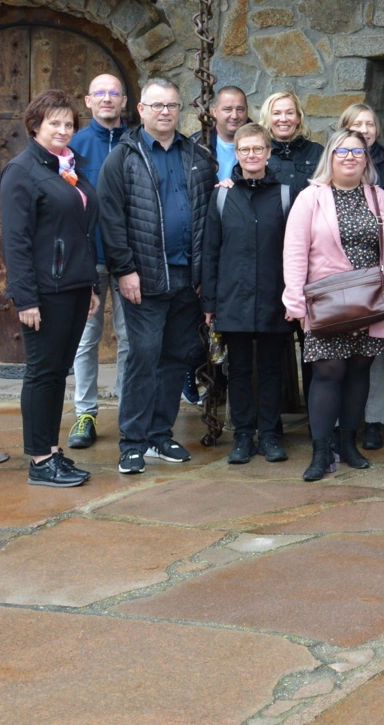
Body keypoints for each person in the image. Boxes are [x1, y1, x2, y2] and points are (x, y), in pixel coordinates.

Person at [98, 77, 215, 475]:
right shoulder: (124, 157)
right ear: (142, 110)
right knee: (143, 357)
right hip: (144, 278)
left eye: (172, 106)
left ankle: (160, 435)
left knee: (174, 358)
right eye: (157, 105)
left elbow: (206, 212)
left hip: (187, 276)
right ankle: (132, 442)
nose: (166, 112)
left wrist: (203, 273)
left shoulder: (195, 155)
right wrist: (125, 269)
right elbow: (111, 219)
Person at [283, 129, 384, 481]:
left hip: (370, 303)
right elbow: (294, 252)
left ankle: (349, 444)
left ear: (366, 159)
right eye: (342, 151)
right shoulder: (311, 198)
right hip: (326, 303)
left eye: (357, 151)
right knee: (328, 372)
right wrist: (295, 302)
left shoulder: (378, 198)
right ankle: (321, 452)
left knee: (358, 372)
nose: (350, 157)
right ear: (331, 157)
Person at [0, 89, 100, 488]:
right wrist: (25, 297)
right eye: (54, 123)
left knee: (59, 372)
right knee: (42, 373)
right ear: (35, 126)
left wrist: (90, 284)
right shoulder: (22, 171)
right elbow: (16, 240)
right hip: (45, 292)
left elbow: (79, 232)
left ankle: (53, 452)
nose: (63, 130)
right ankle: (40, 460)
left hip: (74, 288)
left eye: (69, 124)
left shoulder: (66, 167)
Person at [200, 124, 294, 465]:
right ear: (236, 154)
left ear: (268, 152)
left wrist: (293, 298)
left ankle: (269, 434)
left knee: (270, 369)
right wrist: (209, 303)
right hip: (233, 298)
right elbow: (211, 252)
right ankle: (242, 435)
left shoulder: (285, 195)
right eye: (245, 150)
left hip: (273, 297)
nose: (251, 155)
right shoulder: (223, 195)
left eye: (258, 149)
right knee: (238, 370)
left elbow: (295, 251)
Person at [66, 73, 129, 451]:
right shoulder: (74, 145)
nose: (107, 99)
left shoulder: (136, 142)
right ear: (88, 101)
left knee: (129, 339)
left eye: (114, 93)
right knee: (85, 340)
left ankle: (127, 409)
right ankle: (85, 413)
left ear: (124, 101)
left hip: (128, 258)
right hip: (88, 259)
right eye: (99, 93)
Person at [339, 102, 384, 449]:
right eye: (356, 124)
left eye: (370, 123)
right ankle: (341, 420)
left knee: (377, 352)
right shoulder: (330, 173)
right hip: (339, 276)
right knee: (339, 351)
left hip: (378, 274)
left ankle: (374, 420)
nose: (364, 129)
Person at [261, 90, 323, 201]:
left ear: (298, 117)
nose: (284, 119)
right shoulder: (258, 152)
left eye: (289, 113)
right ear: (268, 118)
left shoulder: (317, 152)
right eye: (276, 113)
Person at [195, 85, 250, 181]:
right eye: (227, 109)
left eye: (240, 109)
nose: (234, 116)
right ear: (215, 111)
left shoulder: (261, 144)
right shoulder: (197, 144)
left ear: (247, 111)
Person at [340, 102, 384, 193]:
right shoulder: (333, 163)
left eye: (370, 125)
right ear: (345, 129)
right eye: (357, 125)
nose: (364, 130)